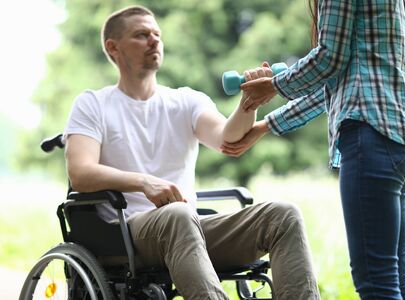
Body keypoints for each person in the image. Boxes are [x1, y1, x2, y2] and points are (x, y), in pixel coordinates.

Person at [63, 5, 320, 300]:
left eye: (157, 34)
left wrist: (248, 104)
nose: (154, 41)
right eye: (141, 35)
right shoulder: (93, 104)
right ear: (113, 47)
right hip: (127, 234)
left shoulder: (186, 100)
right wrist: (144, 182)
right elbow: (81, 173)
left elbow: (227, 138)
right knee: (178, 215)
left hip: (188, 228)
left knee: (283, 215)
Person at [222, 0, 405, 299]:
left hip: (369, 135)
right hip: (398, 140)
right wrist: (267, 125)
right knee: (393, 278)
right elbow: (335, 80)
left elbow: (329, 58)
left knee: (376, 282)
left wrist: (274, 86)